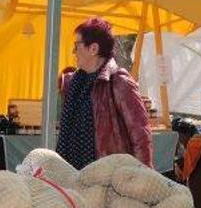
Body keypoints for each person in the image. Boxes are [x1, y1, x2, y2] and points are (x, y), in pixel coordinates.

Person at [56, 17, 152, 169]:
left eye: (77, 45)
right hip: (74, 175)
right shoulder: (74, 83)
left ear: (93, 48)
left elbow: (140, 136)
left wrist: (142, 177)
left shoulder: (119, 81)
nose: (74, 51)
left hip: (108, 178)